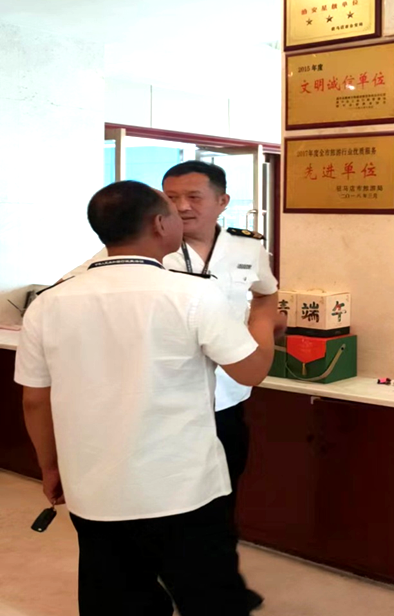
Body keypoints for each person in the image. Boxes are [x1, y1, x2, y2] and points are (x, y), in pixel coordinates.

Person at [15, 180, 280, 616]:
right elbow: (250, 370)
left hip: (94, 487)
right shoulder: (193, 294)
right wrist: (265, 320)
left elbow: (34, 401)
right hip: (183, 488)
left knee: (116, 596)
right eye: (172, 208)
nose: (182, 213)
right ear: (160, 224)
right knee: (208, 596)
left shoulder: (49, 303)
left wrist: (50, 466)